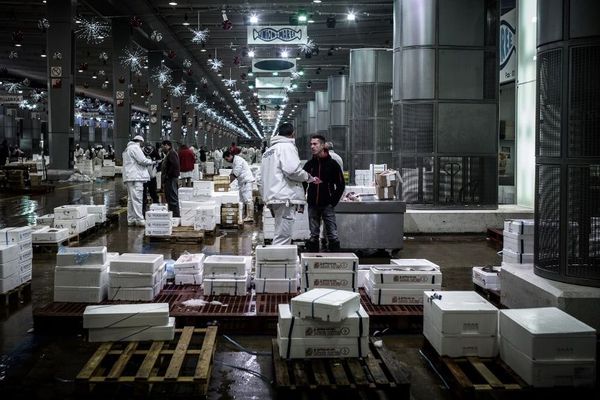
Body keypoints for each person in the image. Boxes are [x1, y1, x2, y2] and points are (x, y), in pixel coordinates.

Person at [260, 122, 320, 245]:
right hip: (285, 198)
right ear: (293, 134)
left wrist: (266, 198)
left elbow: (260, 178)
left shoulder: (268, 152)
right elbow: (292, 170)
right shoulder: (287, 147)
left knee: (279, 233)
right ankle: (279, 262)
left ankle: (279, 261)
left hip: (274, 198)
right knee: (283, 237)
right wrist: (308, 177)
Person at [303, 135, 345, 252]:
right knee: (313, 235)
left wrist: (333, 201)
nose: (312, 146)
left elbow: (341, 185)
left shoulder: (333, 164)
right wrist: (305, 197)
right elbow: (303, 182)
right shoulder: (309, 165)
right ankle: (312, 261)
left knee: (332, 234)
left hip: (327, 204)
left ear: (322, 145)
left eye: (315, 144)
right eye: (311, 144)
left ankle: (335, 261)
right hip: (312, 204)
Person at [122, 135, 154, 226]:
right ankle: (139, 219)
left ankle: (131, 219)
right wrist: (151, 162)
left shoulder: (126, 149)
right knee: (137, 199)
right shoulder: (135, 148)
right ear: (140, 141)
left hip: (129, 176)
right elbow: (142, 160)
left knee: (131, 199)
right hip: (136, 177)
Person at [224, 150, 255, 222]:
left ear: (230, 156)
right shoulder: (235, 161)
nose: (227, 161)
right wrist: (225, 181)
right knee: (241, 200)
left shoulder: (238, 161)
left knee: (248, 199)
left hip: (246, 181)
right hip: (242, 182)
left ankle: (250, 216)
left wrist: (226, 184)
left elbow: (235, 174)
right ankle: (243, 214)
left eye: (226, 159)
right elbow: (232, 173)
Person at [161, 140, 181, 218]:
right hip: (169, 179)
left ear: (167, 146)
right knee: (169, 197)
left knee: (172, 198)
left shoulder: (172, 153)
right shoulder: (169, 154)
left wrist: (168, 175)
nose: (162, 148)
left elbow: (175, 165)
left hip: (171, 179)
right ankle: (173, 215)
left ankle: (175, 216)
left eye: (163, 147)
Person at [142, 143, 160, 216]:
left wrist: (155, 165)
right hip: (145, 176)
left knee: (153, 192)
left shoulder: (154, 152)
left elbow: (159, 160)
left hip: (151, 176)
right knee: (144, 193)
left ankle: (156, 206)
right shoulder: (141, 152)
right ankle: (144, 207)